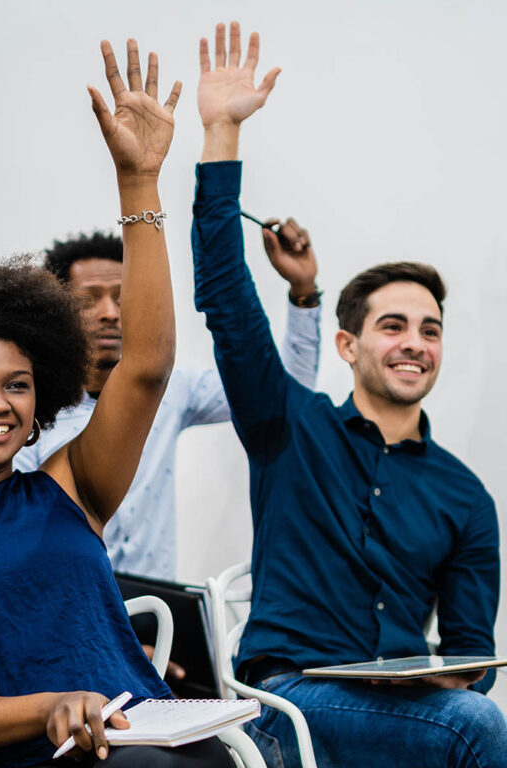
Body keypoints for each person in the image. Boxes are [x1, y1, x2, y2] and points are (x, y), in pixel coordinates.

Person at [0, 39, 234, 768]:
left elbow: (146, 367)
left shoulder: (69, 486)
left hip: (139, 740)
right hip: (16, 754)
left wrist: (139, 182)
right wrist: (51, 709)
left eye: (17, 384)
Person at [191, 21, 506, 768]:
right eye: (392, 326)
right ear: (348, 346)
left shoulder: (464, 496)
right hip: (285, 700)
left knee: (471, 716)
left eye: (429, 330)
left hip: (402, 707)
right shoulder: (287, 426)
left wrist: (449, 671)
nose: (414, 343)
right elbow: (228, 301)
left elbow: (471, 655)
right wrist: (221, 135)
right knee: (476, 732)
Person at [14, 231, 321, 581]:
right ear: (57, 312)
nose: (110, 313)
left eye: (122, 297)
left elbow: (280, 393)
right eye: (88, 301)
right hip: (66, 603)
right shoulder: (29, 404)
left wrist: (303, 293)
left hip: (157, 608)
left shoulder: (171, 389)